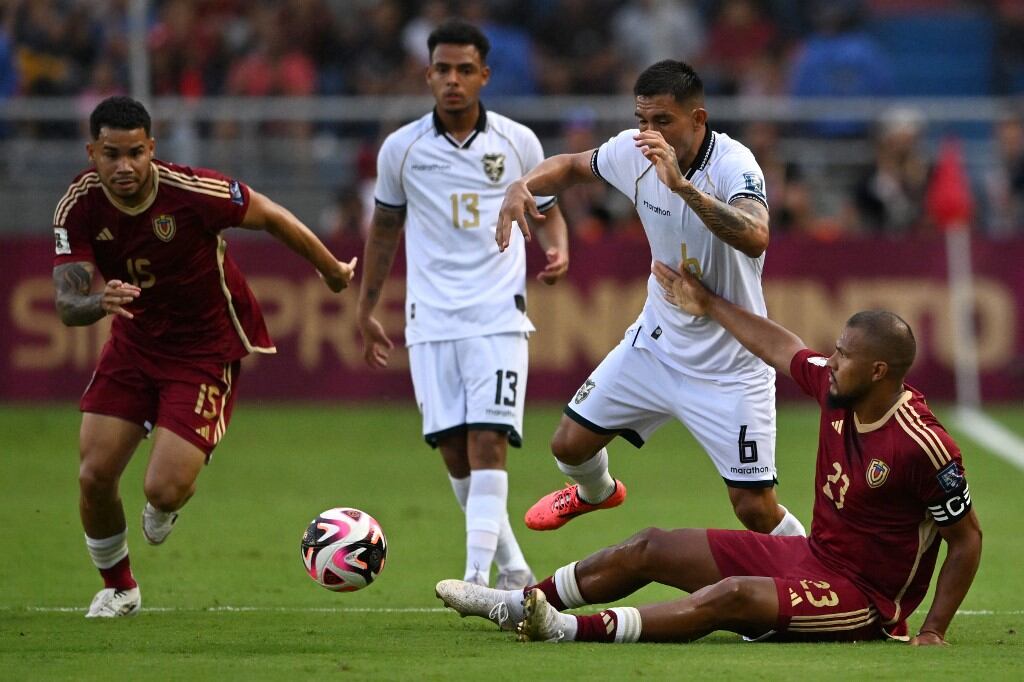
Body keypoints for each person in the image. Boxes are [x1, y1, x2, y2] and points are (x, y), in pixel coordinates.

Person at [435, 266, 982, 645]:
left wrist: (932, 629)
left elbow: (967, 539)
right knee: (651, 545)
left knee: (732, 596)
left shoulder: (923, 444)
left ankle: (566, 630)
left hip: (864, 601)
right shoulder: (835, 388)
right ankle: (518, 603)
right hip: (812, 557)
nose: (831, 361)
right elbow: (781, 346)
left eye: (844, 355)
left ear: (879, 371)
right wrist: (711, 305)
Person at [52, 96, 357, 618]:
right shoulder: (78, 206)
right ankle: (120, 587)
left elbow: (270, 215)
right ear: (92, 153)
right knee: (93, 476)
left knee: (164, 489)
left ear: (151, 148)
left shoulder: (192, 191)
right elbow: (66, 302)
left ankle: (166, 504)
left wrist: (330, 269)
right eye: (111, 154)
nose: (124, 166)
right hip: (134, 343)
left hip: (203, 349)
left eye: (134, 153)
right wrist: (98, 301)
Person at [496, 59, 803, 537]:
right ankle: (596, 492)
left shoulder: (733, 164)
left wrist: (682, 188)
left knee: (755, 510)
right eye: (641, 119)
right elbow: (571, 166)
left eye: (662, 120)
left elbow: (756, 235)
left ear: (697, 119)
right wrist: (523, 184)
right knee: (568, 446)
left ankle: (819, 571)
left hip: (731, 368)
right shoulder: (633, 152)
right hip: (657, 346)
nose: (648, 133)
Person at [357, 20, 569, 589]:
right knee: (454, 451)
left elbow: (549, 210)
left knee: (488, 441)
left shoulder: (518, 142)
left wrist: (558, 248)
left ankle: (474, 574)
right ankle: (514, 567)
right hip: (430, 320)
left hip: (498, 315)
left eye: (464, 70)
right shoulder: (401, 149)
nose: (453, 80)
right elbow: (384, 231)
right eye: (443, 70)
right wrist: (365, 308)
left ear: (484, 76)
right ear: (428, 75)